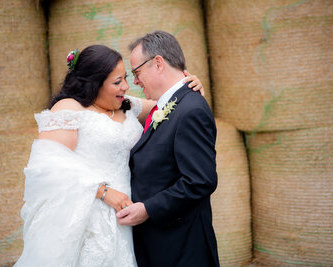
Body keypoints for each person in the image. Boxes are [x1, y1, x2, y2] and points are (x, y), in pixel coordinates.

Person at [14, 44, 204, 266]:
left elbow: (171, 104)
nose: (126, 86)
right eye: (117, 82)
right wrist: (103, 192)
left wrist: (188, 85)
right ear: (93, 83)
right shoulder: (69, 108)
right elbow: (49, 167)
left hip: (128, 215)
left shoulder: (125, 106)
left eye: (125, 78)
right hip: (90, 214)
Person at [116, 31, 220, 267]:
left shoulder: (190, 109)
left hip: (182, 248)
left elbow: (201, 180)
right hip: (160, 244)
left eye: (136, 72)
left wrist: (148, 209)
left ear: (159, 64)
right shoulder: (168, 105)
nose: (135, 81)